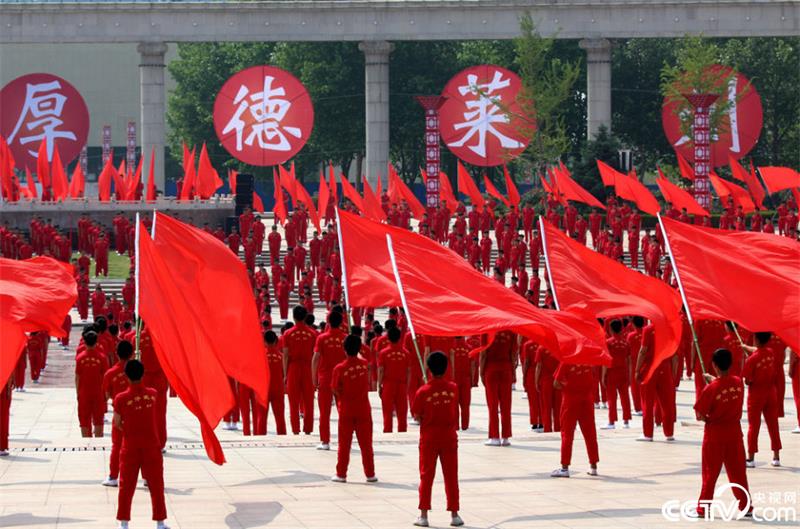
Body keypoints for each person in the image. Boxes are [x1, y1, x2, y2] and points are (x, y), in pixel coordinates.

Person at [693, 348, 751, 518]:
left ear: (714, 365)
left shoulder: (711, 389)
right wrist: (713, 381)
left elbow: (700, 415)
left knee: (710, 473)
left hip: (715, 435)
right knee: (738, 472)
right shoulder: (738, 382)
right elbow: (725, 384)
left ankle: (704, 508)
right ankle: (746, 506)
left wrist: (712, 384)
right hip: (734, 433)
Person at [113, 359, 170, 529]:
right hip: (151, 446)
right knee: (156, 484)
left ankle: (124, 522)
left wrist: (130, 428)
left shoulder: (121, 398)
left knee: (126, 485)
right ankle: (160, 522)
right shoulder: (152, 394)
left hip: (130, 446)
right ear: (142, 374)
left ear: (126, 376)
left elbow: (117, 423)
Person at [411, 352, 463, 528]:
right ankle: (455, 514)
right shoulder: (453, 388)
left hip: (430, 437)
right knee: (451, 475)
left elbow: (416, 415)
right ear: (446, 367)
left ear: (428, 368)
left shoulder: (423, 391)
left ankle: (424, 515)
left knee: (426, 475)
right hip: (448, 436)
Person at [330, 334, 377, 483]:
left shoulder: (339, 368)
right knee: (366, 444)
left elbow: (335, 389)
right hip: (363, 408)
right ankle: (370, 474)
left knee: (344, 444)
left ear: (344, 349)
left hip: (347, 409)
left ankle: (341, 474)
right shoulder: (365, 365)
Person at [550, 362, 599, 478]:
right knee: (590, 433)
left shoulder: (566, 362)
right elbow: (593, 380)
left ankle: (564, 467)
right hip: (586, 400)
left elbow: (556, 383)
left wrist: (568, 387)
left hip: (570, 400)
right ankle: (593, 466)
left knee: (567, 433)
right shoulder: (589, 363)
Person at [742, 332, 782, 467]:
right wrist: (746, 347)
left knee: (754, 426)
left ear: (757, 339)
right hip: (771, 392)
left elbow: (747, 381)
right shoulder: (770, 352)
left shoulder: (751, 360)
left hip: (756, 395)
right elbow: (758, 352)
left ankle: (751, 458)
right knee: (773, 424)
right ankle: (776, 457)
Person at [312, 311, 347, 450]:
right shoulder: (345, 338)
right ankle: (344, 440)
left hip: (325, 378)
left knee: (324, 412)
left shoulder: (322, 338)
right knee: (343, 411)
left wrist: (314, 378)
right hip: (341, 379)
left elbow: (315, 359)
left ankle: (325, 441)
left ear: (328, 322)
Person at [101, 340, 134, 487]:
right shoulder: (137, 370)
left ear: (116, 353)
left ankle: (113, 476)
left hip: (119, 414)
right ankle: (146, 478)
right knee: (140, 447)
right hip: (136, 412)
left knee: (117, 446)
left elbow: (106, 394)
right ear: (132, 353)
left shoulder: (110, 373)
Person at [282, 306, 317, 435]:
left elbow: (285, 355)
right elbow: (315, 355)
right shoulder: (313, 333)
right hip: (308, 368)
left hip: (293, 368)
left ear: (294, 317)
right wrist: (315, 374)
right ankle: (308, 428)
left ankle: (295, 429)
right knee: (309, 400)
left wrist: (285, 374)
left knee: (293, 400)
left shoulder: (288, 333)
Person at [480, 330, 517, 446]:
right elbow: (513, 354)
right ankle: (506, 437)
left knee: (493, 405)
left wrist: (481, 372)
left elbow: (483, 353)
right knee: (506, 405)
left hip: (491, 369)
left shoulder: (487, 331)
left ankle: (495, 436)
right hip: (506, 368)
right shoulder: (511, 332)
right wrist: (513, 372)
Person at [75, 331, 109, 438]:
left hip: (84, 393)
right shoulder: (102, 358)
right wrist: (106, 394)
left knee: (84, 419)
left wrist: (78, 393)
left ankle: (86, 443)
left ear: (84, 342)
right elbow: (105, 377)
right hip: (98, 393)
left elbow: (77, 377)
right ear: (96, 342)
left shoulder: (80, 358)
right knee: (98, 419)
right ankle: (98, 443)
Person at [377, 326, 411, 433]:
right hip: (402, 384)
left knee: (387, 410)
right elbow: (409, 371)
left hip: (388, 384)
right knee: (402, 411)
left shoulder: (384, 353)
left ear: (388, 338)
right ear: (400, 337)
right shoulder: (406, 353)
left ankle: (387, 430)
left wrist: (379, 385)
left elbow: (381, 370)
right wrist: (407, 385)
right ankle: (402, 430)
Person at [601, 319, 631, 429]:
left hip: (612, 372)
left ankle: (612, 422)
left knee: (611, 398)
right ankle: (626, 421)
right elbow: (629, 361)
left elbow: (606, 360)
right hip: (623, 372)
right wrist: (629, 374)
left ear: (611, 329)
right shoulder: (626, 343)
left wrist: (603, 375)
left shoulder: (608, 343)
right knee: (625, 397)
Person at [263, 331, 287, 435]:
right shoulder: (281, 356)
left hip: (264, 389)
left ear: (264, 341)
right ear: (276, 341)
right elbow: (284, 373)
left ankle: (260, 435)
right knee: (280, 416)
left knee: (262, 417)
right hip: (278, 389)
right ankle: (282, 435)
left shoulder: (261, 356)